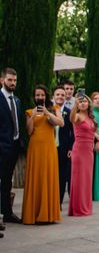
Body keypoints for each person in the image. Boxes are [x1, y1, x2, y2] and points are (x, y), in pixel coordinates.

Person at [22, 85, 63, 224]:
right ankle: (33, 213)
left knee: (48, 176)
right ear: (34, 97)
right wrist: (33, 115)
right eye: (37, 95)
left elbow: (60, 123)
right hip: (34, 149)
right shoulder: (29, 111)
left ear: (46, 96)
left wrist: (47, 113)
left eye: (42, 95)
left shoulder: (54, 109)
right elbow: (28, 131)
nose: (40, 97)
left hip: (49, 148)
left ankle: (47, 214)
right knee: (36, 177)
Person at [68, 91, 97, 217]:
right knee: (79, 179)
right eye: (80, 101)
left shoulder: (91, 117)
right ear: (77, 104)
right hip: (79, 150)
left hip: (89, 151)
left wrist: (98, 141)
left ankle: (86, 206)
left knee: (87, 179)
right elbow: (71, 118)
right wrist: (75, 106)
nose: (83, 103)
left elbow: (93, 132)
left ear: (88, 103)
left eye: (85, 101)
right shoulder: (77, 116)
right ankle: (78, 208)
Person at [0, 67, 22, 225]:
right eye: (9, 80)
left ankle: (7, 213)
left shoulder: (17, 101)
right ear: (2, 80)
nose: (12, 83)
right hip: (1, 147)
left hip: (14, 147)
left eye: (14, 80)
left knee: (8, 181)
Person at [52, 86, 74, 206]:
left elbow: (73, 132)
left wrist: (71, 148)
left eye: (62, 95)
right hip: (50, 147)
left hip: (63, 148)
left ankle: (58, 202)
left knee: (61, 176)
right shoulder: (48, 110)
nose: (60, 97)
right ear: (53, 96)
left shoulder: (68, 111)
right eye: (58, 94)